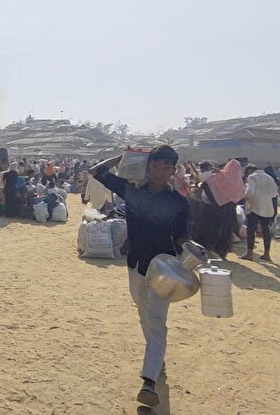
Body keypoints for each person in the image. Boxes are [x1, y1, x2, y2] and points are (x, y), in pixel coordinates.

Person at [92, 145, 188, 408]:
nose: (160, 173)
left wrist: (193, 254)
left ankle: (149, 381)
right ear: (148, 167)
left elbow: (182, 237)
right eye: (156, 166)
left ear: (173, 170)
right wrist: (127, 156)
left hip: (163, 270)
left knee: (156, 321)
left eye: (166, 168)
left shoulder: (178, 202)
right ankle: (156, 356)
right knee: (144, 314)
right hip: (135, 264)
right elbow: (97, 171)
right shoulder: (132, 192)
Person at [241, 165, 278, 261]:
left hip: (255, 206)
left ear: (250, 170)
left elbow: (250, 192)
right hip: (267, 207)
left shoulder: (252, 177)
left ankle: (249, 253)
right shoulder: (269, 178)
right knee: (266, 230)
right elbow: (274, 193)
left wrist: (244, 195)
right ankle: (267, 253)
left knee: (251, 230)